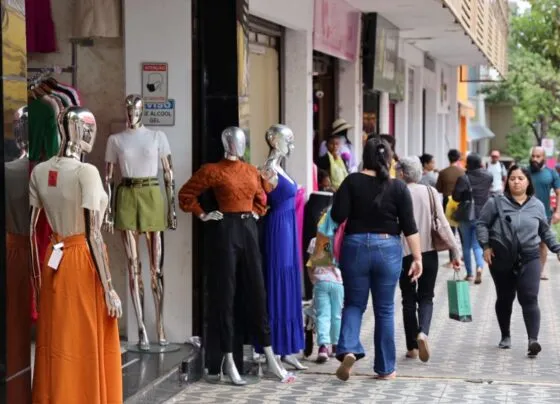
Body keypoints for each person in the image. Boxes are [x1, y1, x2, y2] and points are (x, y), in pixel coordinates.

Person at [331, 137, 422, 381]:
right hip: (388, 247)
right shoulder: (399, 187)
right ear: (390, 158)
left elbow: (338, 215)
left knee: (353, 304)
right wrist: (417, 258)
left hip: (355, 246)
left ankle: (349, 348)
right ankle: (385, 369)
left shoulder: (352, 181)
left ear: (366, 156)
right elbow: (410, 227)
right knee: (384, 309)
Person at [477, 165, 560, 357]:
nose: (516, 181)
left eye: (520, 178)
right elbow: (482, 224)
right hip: (502, 258)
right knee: (505, 298)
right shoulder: (495, 203)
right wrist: (486, 246)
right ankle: (505, 335)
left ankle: (533, 340)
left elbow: (545, 231)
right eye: (513, 178)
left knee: (529, 297)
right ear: (508, 181)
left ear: (528, 182)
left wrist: (557, 248)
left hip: (530, 257)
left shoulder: (537, 205)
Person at [396, 157, 461, 362]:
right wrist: (455, 251)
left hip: (403, 253)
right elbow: (442, 224)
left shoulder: (396, 192)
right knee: (426, 296)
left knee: (408, 297)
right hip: (429, 253)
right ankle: (423, 332)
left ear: (402, 173)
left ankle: (412, 347)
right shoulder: (431, 192)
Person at [306, 207, 344, 363]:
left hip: (321, 282)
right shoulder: (339, 240)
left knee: (323, 315)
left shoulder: (316, 241)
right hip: (338, 282)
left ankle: (323, 347)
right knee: (337, 315)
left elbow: (310, 266)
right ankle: (335, 345)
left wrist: (313, 280)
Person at [452, 153, 492, 284]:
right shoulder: (488, 176)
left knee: (466, 245)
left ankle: (469, 274)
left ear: (468, 163)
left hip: (466, 215)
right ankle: (479, 267)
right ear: (480, 163)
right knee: (477, 244)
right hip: (483, 214)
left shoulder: (464, 178)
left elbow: (456, 197)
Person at [528, 146, 560, 280]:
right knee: (526, 242)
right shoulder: (525, 171)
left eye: (538, 156)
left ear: (544, 158)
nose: (535, 159)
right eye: (533, 156)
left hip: (544, 215)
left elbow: (559, 193)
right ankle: (526, 269)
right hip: (525, 213)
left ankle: (541, 270)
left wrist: (558, 212)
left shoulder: (551, 173)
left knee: (543, 244)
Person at [436, 149, 465, 265]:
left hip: (447, 202)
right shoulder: (463, 172)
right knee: (462, 230)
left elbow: (438, 189)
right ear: (458, 158)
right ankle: (463, 256)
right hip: (460, 203)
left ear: (449, 158)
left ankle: (452, 258)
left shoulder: (443, 172)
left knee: (450, 231)